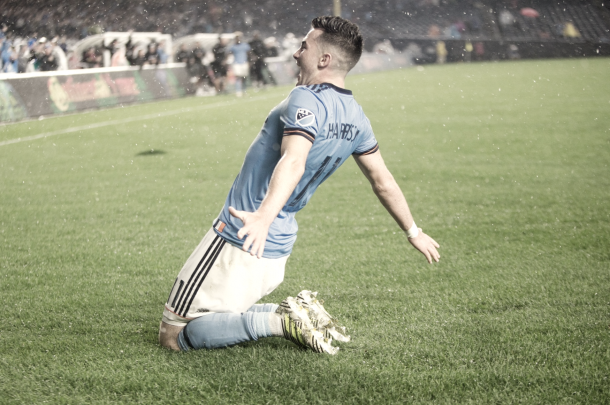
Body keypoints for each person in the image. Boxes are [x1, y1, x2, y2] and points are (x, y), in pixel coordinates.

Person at [158, 16, 440, 355]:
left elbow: (293, 160)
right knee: (225, 313)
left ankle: (281, 321)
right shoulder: (356, 116)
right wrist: (413, 231)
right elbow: (383, 181)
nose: (295, 53)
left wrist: (261, 217)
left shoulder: (306, 98)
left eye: (304, 47)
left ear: (324, 60)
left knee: (175, 335)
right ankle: (297, 313)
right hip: (279, 242)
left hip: (244, 232)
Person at [229, 31, 251, 97]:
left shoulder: (245, 45)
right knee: (238, 77)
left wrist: (249, 61)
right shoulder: (233, 46)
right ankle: (238, 91)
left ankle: (244, 91)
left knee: (244, 78)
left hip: (244, 63)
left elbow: (249, 54)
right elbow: (229, 54)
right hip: (237, 63)